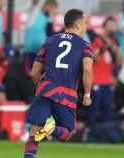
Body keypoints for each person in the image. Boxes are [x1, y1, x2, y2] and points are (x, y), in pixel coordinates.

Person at [23, 9, 93, 158]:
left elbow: (35, 71)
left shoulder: (50, 40)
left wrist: (40, 88)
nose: (86, 26)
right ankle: (52, 129)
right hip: (66, 95)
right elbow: (87, 69)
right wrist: (87, 94)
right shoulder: (85, 45)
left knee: (35, 130)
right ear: (78, 24)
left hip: (45, 90)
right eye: (85, 23)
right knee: (65, 134)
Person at [83, 16, 122, 125]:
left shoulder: (115, 42)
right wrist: (104, 47)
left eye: (113, 26)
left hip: (108, 81)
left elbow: (118, 63)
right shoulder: (97, 40)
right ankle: (90, 132)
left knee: (108, 109)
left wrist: (117, 50)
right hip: (96, 80)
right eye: (109, 26)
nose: (112, 28)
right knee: (94, 108)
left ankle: (105, 134)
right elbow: (94, 58)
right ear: (104, 27)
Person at [23, 0, 58, 74]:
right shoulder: (35, 13)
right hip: (30, 51)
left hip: (41, 51)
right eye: (53, 9)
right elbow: (34, 4)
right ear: (48, 6)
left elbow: (50, 33)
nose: (54, 12)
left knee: (40, 74)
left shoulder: (48, 19)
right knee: (30, 74)